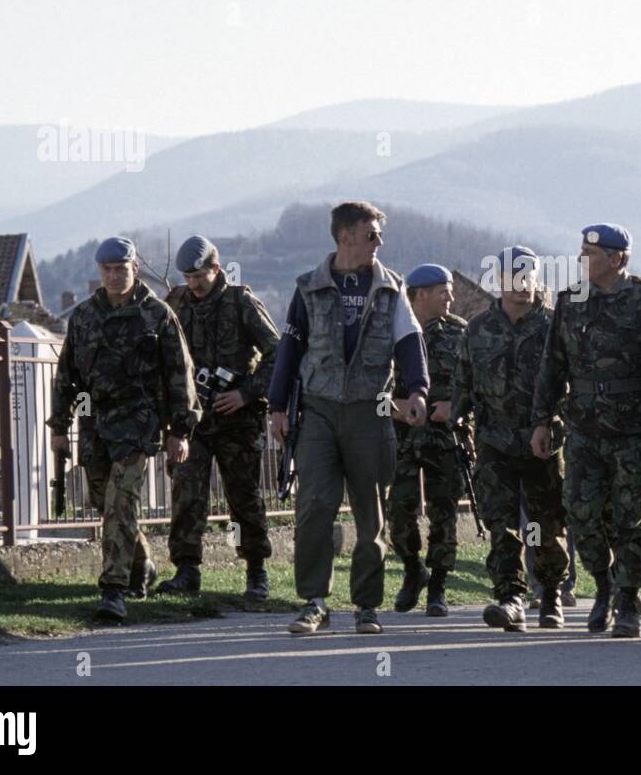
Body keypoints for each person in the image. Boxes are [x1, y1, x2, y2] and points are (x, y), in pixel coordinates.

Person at [269, 201, 429, 636]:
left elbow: (410, 343)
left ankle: (366, 606)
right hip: (318, 409)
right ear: (345, 237)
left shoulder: (391, 288)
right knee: (315, 505)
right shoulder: (309, 288)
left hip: (371, 410)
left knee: (370, 515)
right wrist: (278, 407)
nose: (380, 242)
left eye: (379, 234)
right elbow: (290, 348)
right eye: (371, 234)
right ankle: (314, 602)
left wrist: (416, 392)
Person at [531, 224, 641, 637]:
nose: (582, 260)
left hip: (633, 427)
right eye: (581, 252)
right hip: (584, 426)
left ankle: (627, 600)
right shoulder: (570, 299)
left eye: (591, 254)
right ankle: (603, 584)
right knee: (580, 512)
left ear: (617, 259)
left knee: (630, 516)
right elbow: (552, 366)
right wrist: (542, 421)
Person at [48, 237, 200, 622]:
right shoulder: (83, 317)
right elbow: (66, 376)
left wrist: (180, 430)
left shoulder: (157, 315)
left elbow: (181, 375)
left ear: (134, 268)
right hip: (95, 425)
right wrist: (59, 426)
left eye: (121, 269)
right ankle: (143, 564)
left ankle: (113, 591)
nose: (114, 277)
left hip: (139, 424)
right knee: (105, 503)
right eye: (107, 270)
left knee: (121, 503)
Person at [454, 247, 572, 631]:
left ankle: (551, 593)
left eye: (529, 277)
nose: (523, 286)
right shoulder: (478, 330)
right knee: (501, 524)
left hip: (542, 442)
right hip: (495, 441)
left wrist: (557, 425)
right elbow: (463, 385)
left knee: (544, 523)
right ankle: (511, 596)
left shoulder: (555, 327)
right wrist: (456, 422)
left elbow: (571, 386)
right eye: (514, 278)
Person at [158, 235, 279, 601]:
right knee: (187, 491)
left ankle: (256, 570)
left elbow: (278, 353)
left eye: (199, 276)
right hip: (192, 420)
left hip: (237, 419)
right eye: (187, 277)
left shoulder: (240, 301)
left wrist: (247, 392)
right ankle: (187, 570)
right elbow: (160, 351)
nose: (193, 285)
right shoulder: (176, 302)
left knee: (242, 496)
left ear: (216, 268)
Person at [388, 264, 468, 616]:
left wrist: (456, 406)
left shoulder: (461, 334)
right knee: (398, 510)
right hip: (400, 436)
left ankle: (438, 584)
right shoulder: (390, 331)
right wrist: (392, 408)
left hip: (445, 437)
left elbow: (479, 384)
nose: (451, 297)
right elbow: (366, 387)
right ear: (420, 295)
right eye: (443, 291)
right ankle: (412, 570)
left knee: (444, 512)